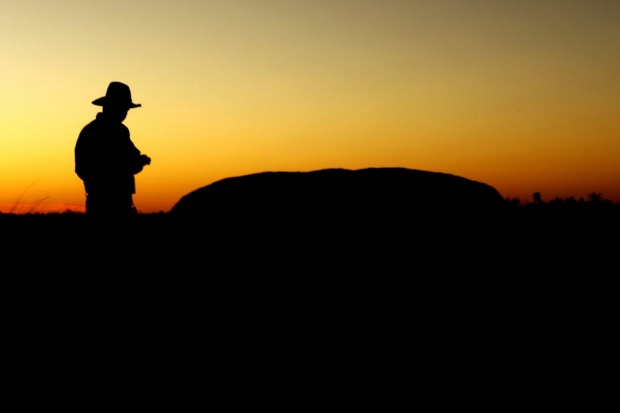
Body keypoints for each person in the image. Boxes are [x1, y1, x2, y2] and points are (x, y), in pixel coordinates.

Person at [75, 81, 151, 223]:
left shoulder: (93, 131)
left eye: (126, 109)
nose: (124, 113)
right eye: (123, 108)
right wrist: (138, 162)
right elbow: (130, 163)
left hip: (106, 202)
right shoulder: (115, 132)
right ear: (110, 107)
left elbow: (81, 168)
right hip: (108, 204)